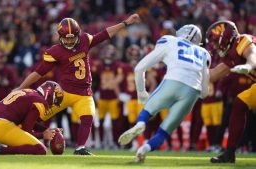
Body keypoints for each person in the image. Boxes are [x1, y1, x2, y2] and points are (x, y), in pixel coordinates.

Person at [16, 14, 140, 155]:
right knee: (37, 115)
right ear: (60, 36)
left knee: (88, 117)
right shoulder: (56, 51)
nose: (69, 41)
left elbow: (105, 34)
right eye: (66, 38)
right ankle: (17, 135)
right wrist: (21, 87)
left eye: (72, 37)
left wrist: (125, 23)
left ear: (77, 35)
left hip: (84, 92)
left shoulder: (84, 40)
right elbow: (38, 72)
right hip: (64, 92)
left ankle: (80, 148)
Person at [118, 24, 211, 162]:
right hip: (192, 91)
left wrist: (142, 91)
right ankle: (144, 149)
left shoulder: (170, 41)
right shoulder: (204, 53)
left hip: (173, 81)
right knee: (165, 130)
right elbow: (204, 93)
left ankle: (141, 124)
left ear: (182, 33)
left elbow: (139, 68)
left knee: (148, 111)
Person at [204, 21, 256, 163]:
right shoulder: (232, 52)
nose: (214, 46)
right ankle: (229, 153)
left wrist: (248, 66)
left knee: (239, 104)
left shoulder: (242, 40)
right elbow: (213, 75)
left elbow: (253, 56)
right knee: (239, 104)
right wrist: (188, 73)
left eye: (215, 42)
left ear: (224, 37)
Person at [0, 81, 63, 155]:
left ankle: (4, 148)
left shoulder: (28, 91)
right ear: (49, 95)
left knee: (33, 145)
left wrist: (46, 130)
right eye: (55, 101)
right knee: (40, 149)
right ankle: (1, 150)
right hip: (2, 127)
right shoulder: (40, 102)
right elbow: (26, 130)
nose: (52, 105)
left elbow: (28, 121)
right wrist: (43, 135)